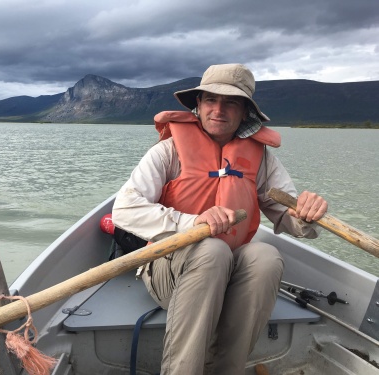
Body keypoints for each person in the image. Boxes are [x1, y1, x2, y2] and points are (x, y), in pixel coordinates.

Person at [112, 63, 328, 375]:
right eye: (210, 100)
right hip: (171, 270)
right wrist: (193, 222)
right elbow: (124, 209)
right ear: (197, 106)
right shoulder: (168, 151)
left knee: (265, 256)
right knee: (211, 250)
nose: (219, 109)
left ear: (245, 113)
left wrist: (307, 214)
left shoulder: (262, 158)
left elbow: (289, 219)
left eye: (231, 102)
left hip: (228, 275)